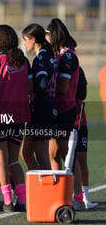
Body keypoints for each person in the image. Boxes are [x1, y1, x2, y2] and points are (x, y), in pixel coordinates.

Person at [0, 24, 32, 212]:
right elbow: (30, 89)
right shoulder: (24, 61)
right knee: (13, 160)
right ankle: (22, 200)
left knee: (0, 158)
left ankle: (7, 201)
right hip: (20, 115)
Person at [20, 23, 57, 170]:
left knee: (42, 156)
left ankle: (47, 191)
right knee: (26, 153)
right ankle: (38, 187)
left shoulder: (41, 58)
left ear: (33, 39)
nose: (24, 43)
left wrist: (32, 93)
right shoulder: (49, 55)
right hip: (46, 109)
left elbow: (42, 83)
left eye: (25, 39)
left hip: (41, 110)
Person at [46, 18, 79, 170]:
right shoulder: (58, 55)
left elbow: (63, 87)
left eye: (47, 35)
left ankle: (78, 193)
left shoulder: (67, 56)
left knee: (66, 154)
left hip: (65, 109)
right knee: (53, 154)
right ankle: (58, 192)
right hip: (56, 109)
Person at [71, 66, 98, 210]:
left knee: (81, 159)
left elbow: (83, 93)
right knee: (63, 158)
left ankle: (85, 198)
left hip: (80, 121)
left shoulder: (77, 69)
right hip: (66, 123)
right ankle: (69, 195)